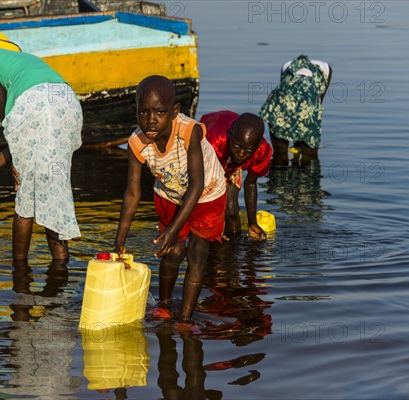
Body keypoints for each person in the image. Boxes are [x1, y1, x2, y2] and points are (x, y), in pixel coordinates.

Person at [0, 33, 83, 262]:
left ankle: (19, 271)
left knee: (25, 198)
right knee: (53, 192)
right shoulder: (22, 63)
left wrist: (12, 146)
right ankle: (60, 265)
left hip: (37, 103)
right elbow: (20, 146)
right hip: (68, 103)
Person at [113, 75, 227, 322]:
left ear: (174, 111)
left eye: (160, 112)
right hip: (169, 194)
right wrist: (119, 240)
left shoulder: (189, 132)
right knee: (172, 252)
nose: (151, 120)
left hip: (207, 193)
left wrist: (174, 228)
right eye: (143, 112)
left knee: (197, 253)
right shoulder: (136, 143)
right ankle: (164, 306)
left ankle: (185, 319)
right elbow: (132, 193)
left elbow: (197, 185)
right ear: (135, 111)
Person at [200, 111, 272, 240]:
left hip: (230, 155)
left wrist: (252, 223)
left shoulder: (263, 151)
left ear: (258, 145)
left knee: (232, 210)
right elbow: (203, 181)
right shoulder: (214, 142)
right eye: (237, 147)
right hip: (213, 154)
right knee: (214, 209)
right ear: (230, 135)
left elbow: (250, 183)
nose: (241, 154)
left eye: (248, 150)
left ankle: (233, 246)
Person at [259, 55, 332, 166]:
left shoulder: (287, 66)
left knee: (280, 154)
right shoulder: (326, 68)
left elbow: (286, 96)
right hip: (307, 105)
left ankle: (278, 179)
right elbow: (317, 102)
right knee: (310, 157)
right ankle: (307, 178)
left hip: (278, 104)